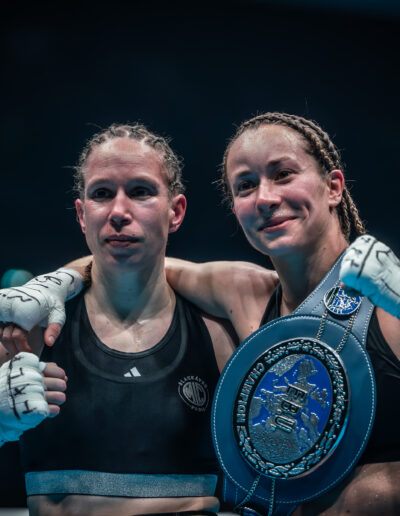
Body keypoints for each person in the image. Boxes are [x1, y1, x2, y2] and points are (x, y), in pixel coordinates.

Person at [2, 113, 400, 515]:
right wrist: (55, 281)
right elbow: (134, 261)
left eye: (283, 174)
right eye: (245, 185)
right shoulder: (246, 296)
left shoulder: (387, 303)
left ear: (333, 187)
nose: (264, 198)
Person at [0, 123, 240, 516]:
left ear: (176, 211)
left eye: (141, 191)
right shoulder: (34, 329)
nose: (118, 212)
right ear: (82, 215)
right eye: (102, 194)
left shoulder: (217, 334)